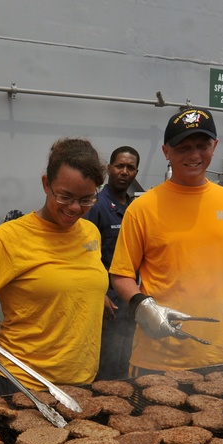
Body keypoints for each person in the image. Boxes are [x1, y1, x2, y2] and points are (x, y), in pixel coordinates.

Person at [0, 137, 108, 394]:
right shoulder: (11, 238)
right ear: (46, 184)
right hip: (23, 385)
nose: (75, 208)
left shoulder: (91, 232)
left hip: (82, 383)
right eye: (65, 196)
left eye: (87, 199)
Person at [109, 107, 223, 373]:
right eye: (183, 148)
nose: (194, 155)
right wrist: (143, 306)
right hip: (158, 361)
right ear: (166, 152)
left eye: (202, 145)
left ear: (215, 146)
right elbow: (121, 274)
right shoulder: (143, 207)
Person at [86, 145, 140, 380]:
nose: (124, 172)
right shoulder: (96, 206)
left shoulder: (136, 209)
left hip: (131, 300)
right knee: (104, 365)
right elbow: (84, 254)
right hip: (107, 302)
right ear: (109, 168)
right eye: (120, 166)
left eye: (130, 167)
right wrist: (100, 294)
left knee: (126, 360)